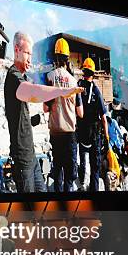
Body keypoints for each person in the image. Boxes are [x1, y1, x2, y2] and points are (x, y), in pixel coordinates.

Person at [4, 31, 47, 193]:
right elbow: (34, 93)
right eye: (27, 53)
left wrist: (37, 119)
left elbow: (19, 117)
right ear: (16, 50)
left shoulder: (19, 77)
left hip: (31, 155)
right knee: (30, 210)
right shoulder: (14, 77)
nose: (30, 58)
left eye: (31, 53)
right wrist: (60, 91)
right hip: (22, 157)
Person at [44, 38, 83, 192]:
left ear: (55, 58)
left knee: (57, 172)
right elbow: (80, 113)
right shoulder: (74, 81)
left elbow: (46, 108)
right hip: (70, 135)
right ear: (67, 59)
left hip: (55, 132)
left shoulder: (49, 77)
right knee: (69, 176)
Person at [76, 58, 109, 192]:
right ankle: (94, 193)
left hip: (81, 133)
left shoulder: (78, 87)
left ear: (83, 72)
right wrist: (106, 137)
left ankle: (82, 187)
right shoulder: (96, 91)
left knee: (83, 161)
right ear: (93, 73)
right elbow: (104, 117)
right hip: (94, 134)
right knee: (95, 167)